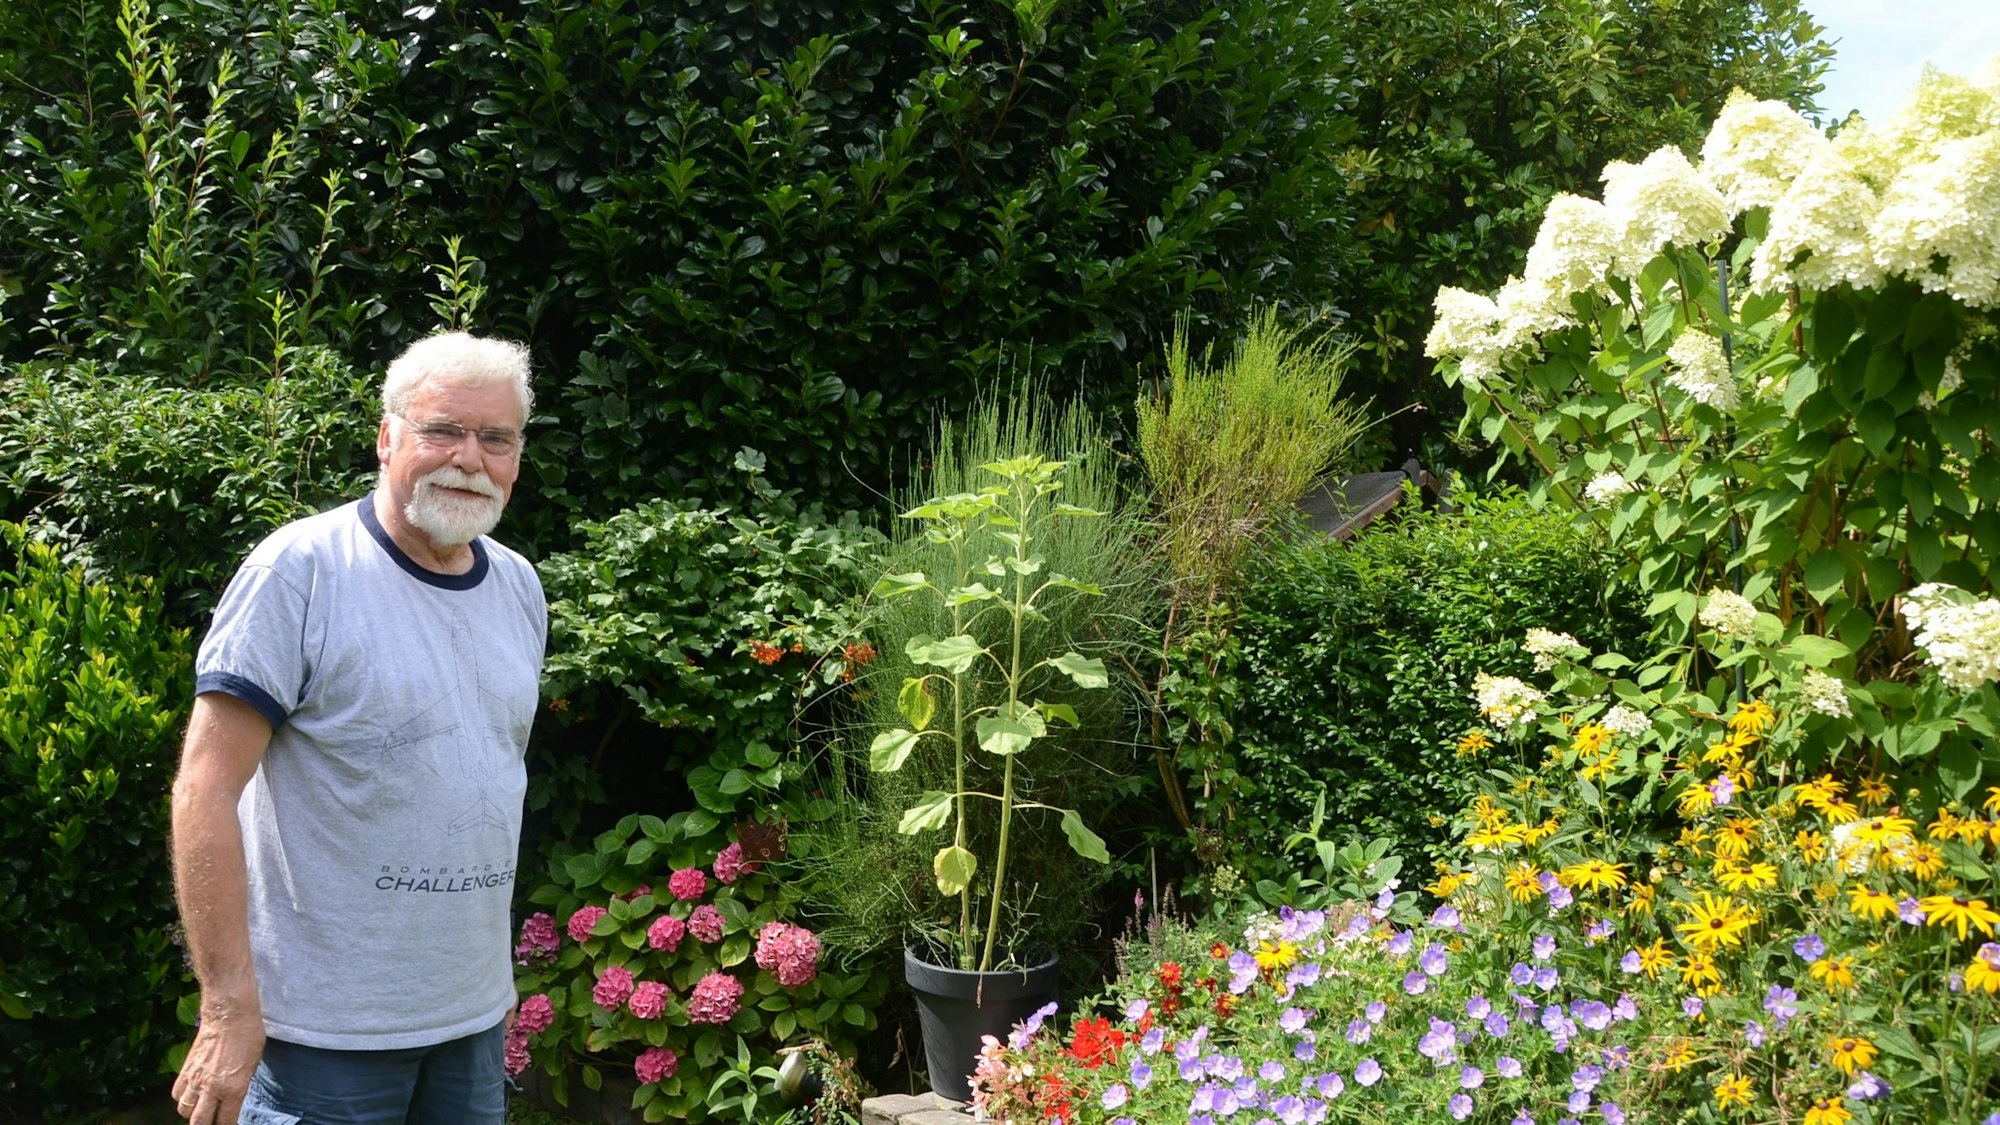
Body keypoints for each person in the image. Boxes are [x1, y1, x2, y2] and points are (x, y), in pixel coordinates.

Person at [169, 332, 547, 1125]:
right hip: (322, 1037)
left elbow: (482, 784)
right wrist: (228, 1005)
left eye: (496, 438)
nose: (469, 458)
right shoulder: (299, 572)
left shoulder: (518, 586)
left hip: (471, 1023)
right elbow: (205, 788)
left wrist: (492, 987)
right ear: (386, 437)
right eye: (442, 429)